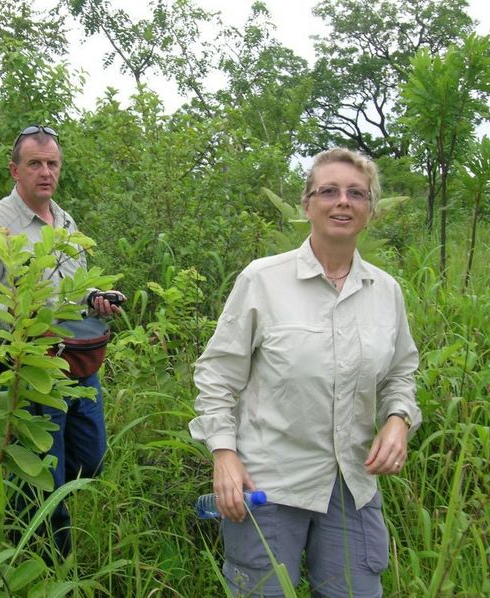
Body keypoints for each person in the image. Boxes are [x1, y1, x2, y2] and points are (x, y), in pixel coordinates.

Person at [189, 148, 421, 597]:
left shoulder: (386, 291)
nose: (343, 202)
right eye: (329, 191)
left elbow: (400, 373)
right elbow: (217, 374)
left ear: (369, 211)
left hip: (353, 484)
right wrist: (223, 453)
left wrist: (398, 419)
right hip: (269, 483)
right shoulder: (262, 280)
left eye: (357, 193)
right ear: (307, 204)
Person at [0, 124, 124, 556]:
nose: (45, 172)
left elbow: (73, 289)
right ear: (15, 170)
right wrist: (17, 314)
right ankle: (43, 561)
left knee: (90, 458)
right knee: (40, 475)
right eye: (35, 164)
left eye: (52, 164)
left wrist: (93, 298)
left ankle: (43, 526)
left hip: (76, 364)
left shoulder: (65, 221)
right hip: (24, 366)